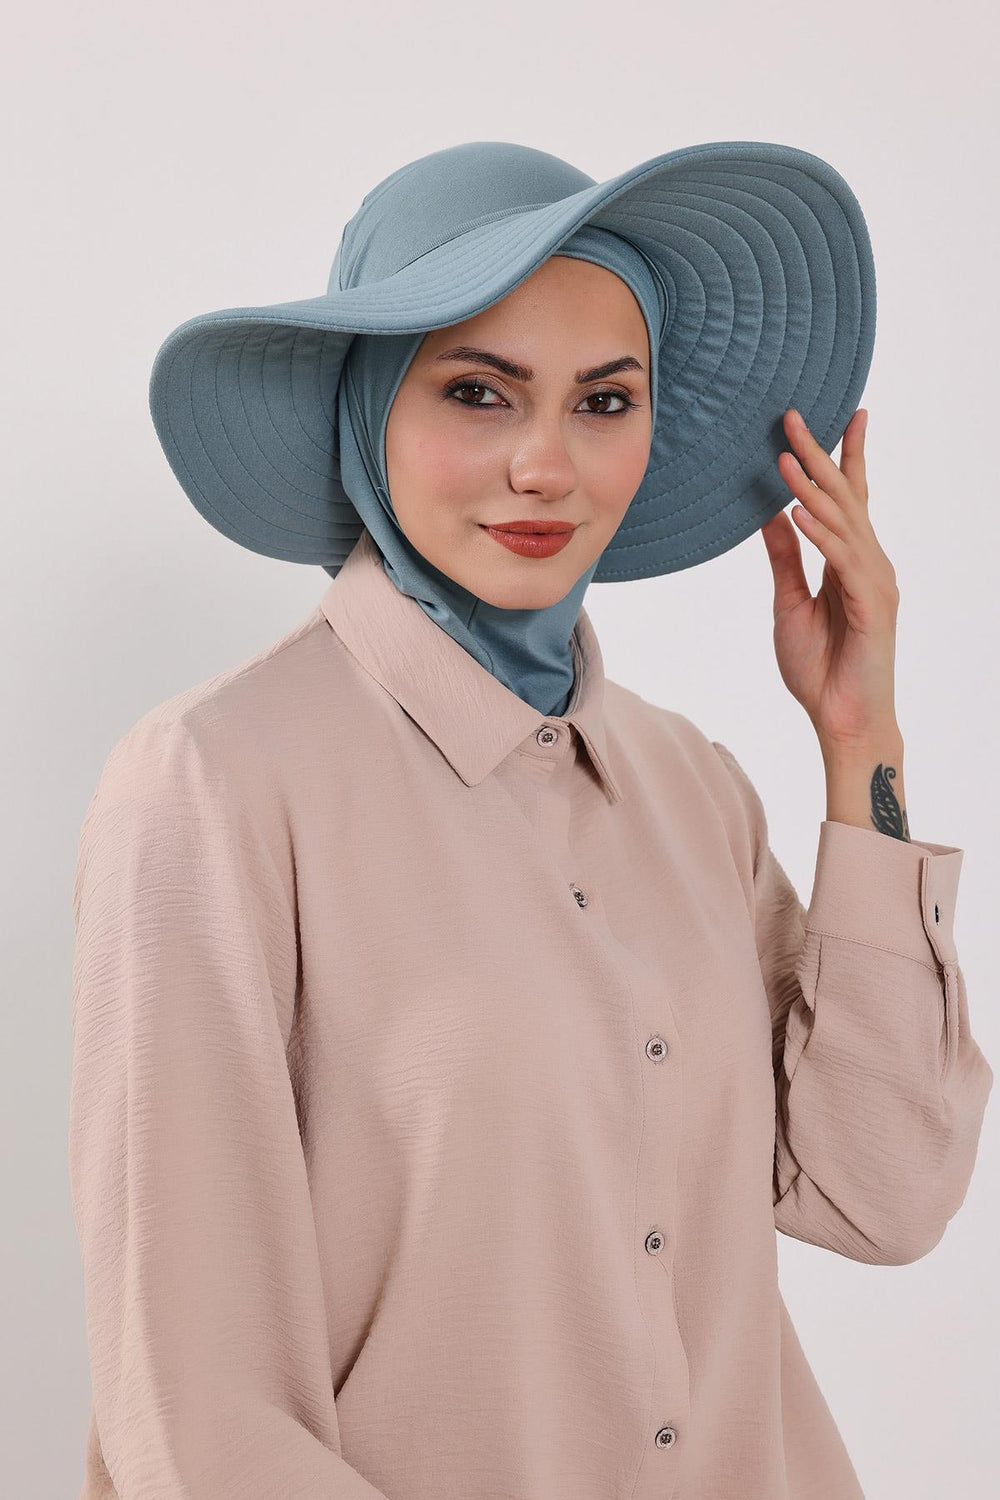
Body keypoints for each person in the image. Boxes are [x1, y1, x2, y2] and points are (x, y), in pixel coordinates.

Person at [69, 140, 993, 1500]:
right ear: (368, 405)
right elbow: (194, 1412)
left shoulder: (695, 792)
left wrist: (863, 747)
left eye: (603, 401)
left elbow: (884, 1196)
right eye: (478, 392)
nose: (546, 465)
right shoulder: (213, 786)